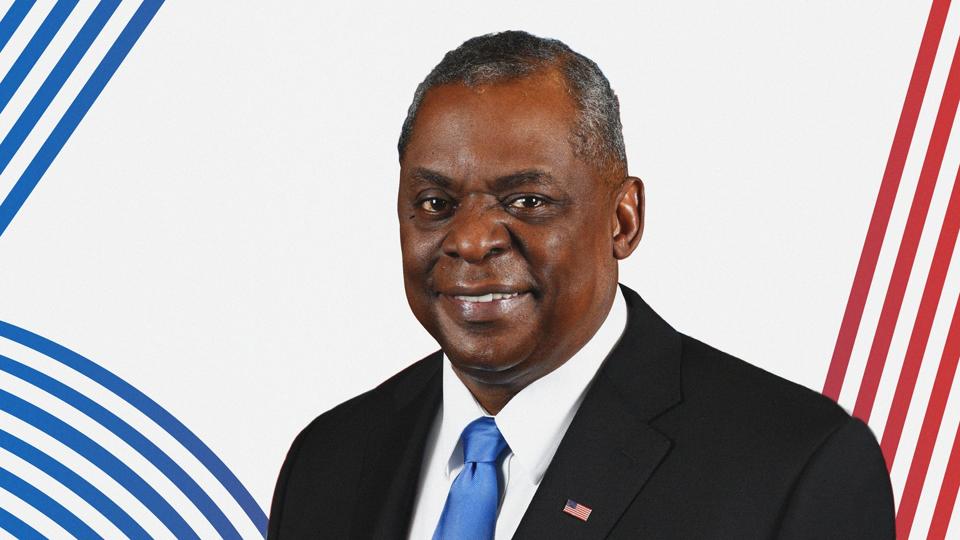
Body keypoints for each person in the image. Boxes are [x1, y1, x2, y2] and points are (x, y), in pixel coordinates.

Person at [267, 31, 895, 539]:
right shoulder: (328, 461)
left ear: (623, 220)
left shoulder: (796, 467)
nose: (471, 240)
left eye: (528, 200)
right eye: (436, 203)